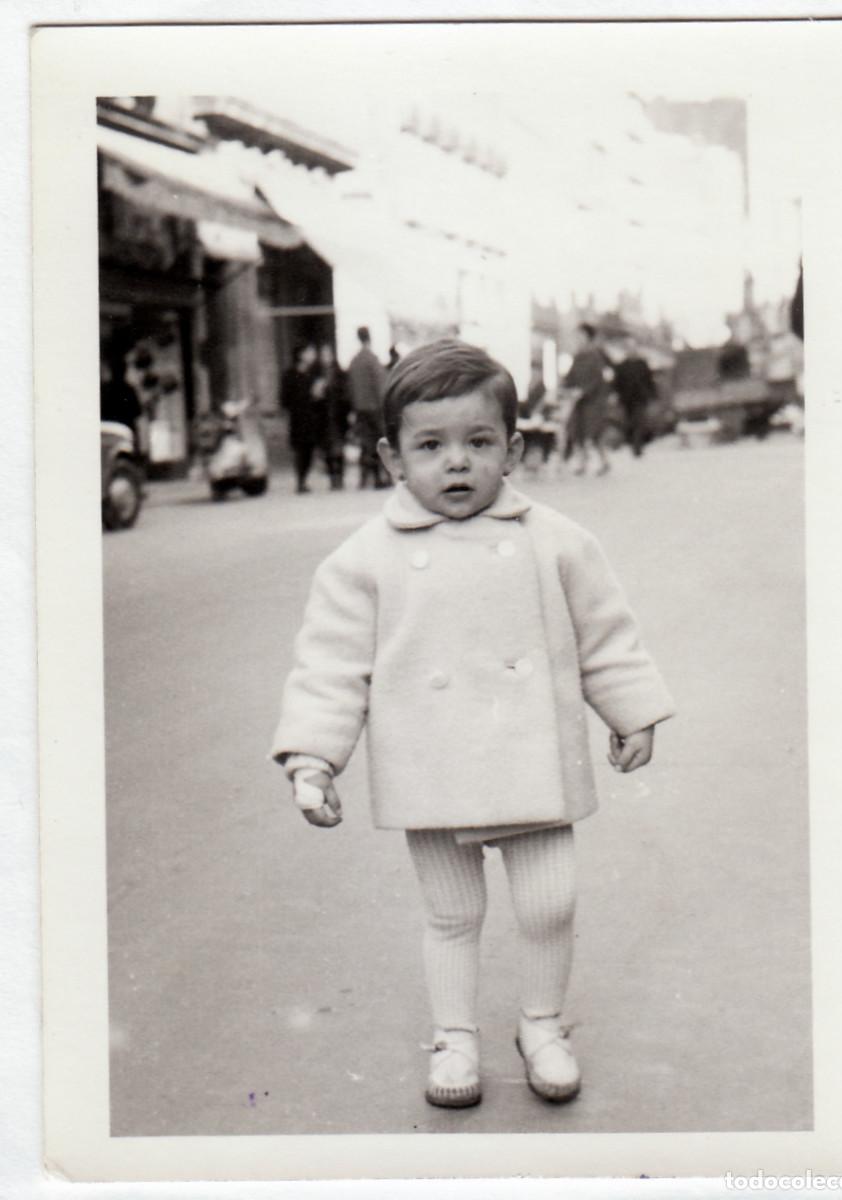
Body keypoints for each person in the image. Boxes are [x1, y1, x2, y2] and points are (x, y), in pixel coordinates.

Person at [271, 339, 674, 1111]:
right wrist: (311, 760)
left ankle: (541, 1024)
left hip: (535, 763)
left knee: (550, 903)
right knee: (451, 914)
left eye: (478, 442)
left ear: (512, 448)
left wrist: (631, 710)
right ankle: (455, 1035)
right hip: (434, 768)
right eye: (430, 446)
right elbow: (329, 667)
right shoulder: (362, 561)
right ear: (391, 458)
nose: (456, 464)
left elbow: (605, 632)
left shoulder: (555, 539)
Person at [561, 323, 612, 476]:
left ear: (588, 337)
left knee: (594, 433)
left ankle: (604, 461)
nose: (578, 339)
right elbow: (570, 376)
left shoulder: (595, 356)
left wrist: (583, 391)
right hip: (579, 402)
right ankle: (583, 463)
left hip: (593, 401)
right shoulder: (578, 356)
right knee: (578, 432)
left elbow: (597, 379)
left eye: (581, 335)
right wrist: (565, 384)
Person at [347, 326, 389, 488]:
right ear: (369, 338)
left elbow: (350, 387)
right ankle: (380, 478)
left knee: (365, 443)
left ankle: (364, 479)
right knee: (379, 442)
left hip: (360, 408)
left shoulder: (354, 361)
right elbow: (380, 385)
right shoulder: (372, 359)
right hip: (374, 408)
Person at [280, 343, 323, 493]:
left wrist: (317, 395)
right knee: (300, 449)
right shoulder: (290, 375)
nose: (313, 355)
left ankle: (303, 479)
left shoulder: (312, 374)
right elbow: (284, 399)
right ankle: (300, 480)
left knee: (309, 449)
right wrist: (308, 395)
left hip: (311, 418)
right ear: (301, 354)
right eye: (310, 352)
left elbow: (318, 399)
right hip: (298, 418)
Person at [612, 337, 657, 458]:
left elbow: (650, 380)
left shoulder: (642, 364)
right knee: (630, 422)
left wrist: (652, 395)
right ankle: (634, 444)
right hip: (627, 399)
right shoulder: (621, 366)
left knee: (640, 421)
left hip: (641, 398)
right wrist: (616, 396)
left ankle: (637, 447)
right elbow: (617, 383)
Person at [316, 343, 351, 490]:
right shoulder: (317, 375)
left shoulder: (340, 373)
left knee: (339, 448)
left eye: (328, 354)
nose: (326, 358)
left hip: (338, 416)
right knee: (328, 449)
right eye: (323, 355)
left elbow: (345, 395)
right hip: (324, 418)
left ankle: (340, 476)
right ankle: (332, 477)